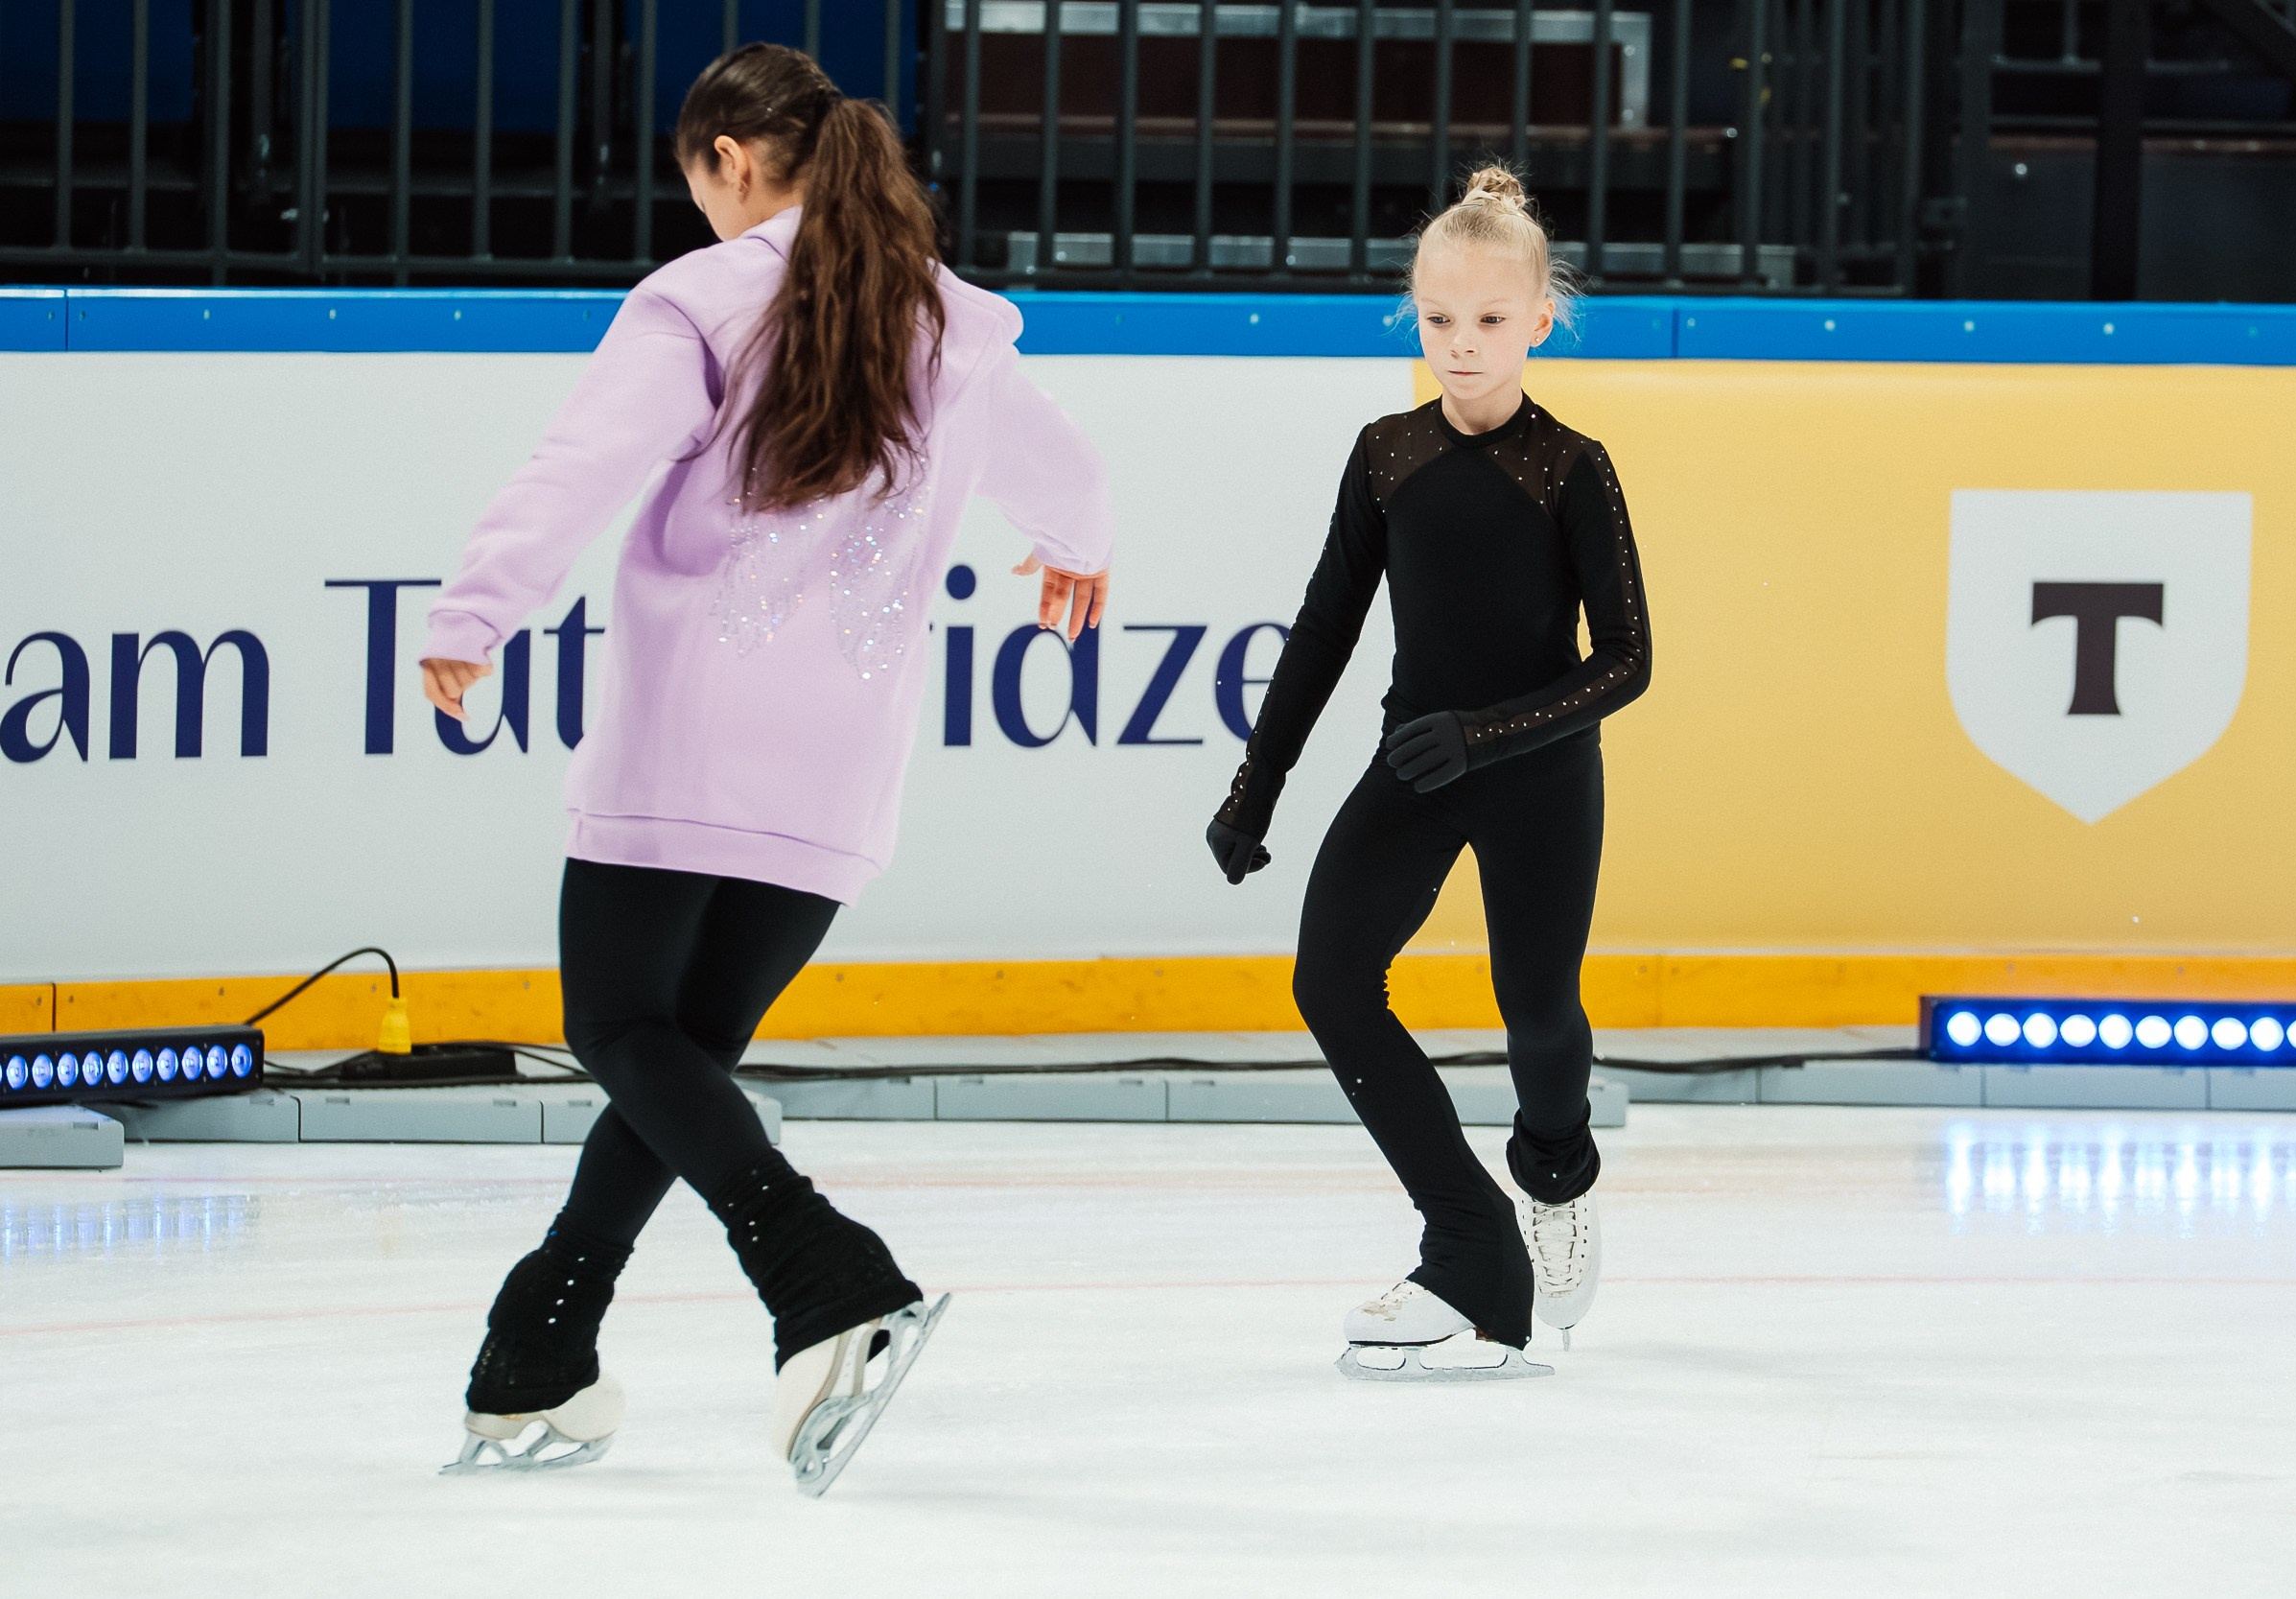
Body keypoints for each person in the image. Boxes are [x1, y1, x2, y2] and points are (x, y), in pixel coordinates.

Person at [418, 45, 1113, 1488]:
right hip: (837, 765)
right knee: (680, 1055)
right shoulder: (953, 321)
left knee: (621, 1024)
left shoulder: (702, 299)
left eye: (700, 183)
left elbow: (574, 468)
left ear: (730, 159)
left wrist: (474, 612)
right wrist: (1079, 551)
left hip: (690, 733)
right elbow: (1069, 477)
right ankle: (540, 1347)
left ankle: (823, 1274)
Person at [1206, 167, 1650, 1380]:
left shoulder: (1571, 466)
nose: (1461, 343)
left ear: (1539, 320)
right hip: (1415, 758)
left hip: (1539, 770)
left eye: (1490, 319)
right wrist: (1258, 783)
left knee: (1536, 1010)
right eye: (1439, 317)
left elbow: (1626, 661)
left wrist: (1488, 735)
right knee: (1330, 981)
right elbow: (1323, 628)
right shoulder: (1385, 454)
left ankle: (1555, 1172)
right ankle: (1466, 1231)